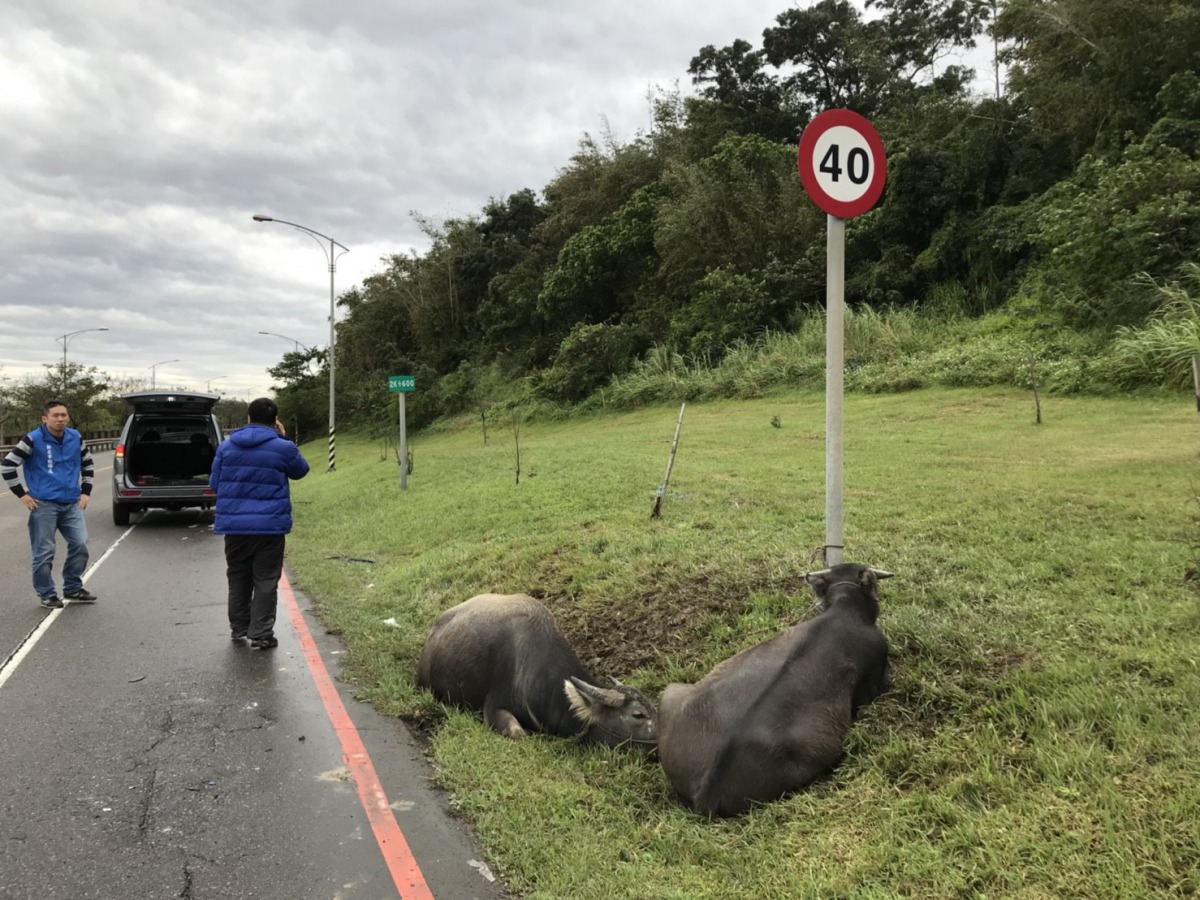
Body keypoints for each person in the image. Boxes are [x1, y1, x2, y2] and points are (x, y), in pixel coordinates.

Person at [210, 397, 309, 649]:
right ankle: (261, 632)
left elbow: (214, 484)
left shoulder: (227, 447)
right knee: (265, 579)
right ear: (275, 421)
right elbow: (301, 470)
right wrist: (284, 438)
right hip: (269, 526)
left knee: (238, 576)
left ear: (248, 418)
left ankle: (239, 627)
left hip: (234, 527)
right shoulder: (281, 447)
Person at [1, 400, 98, 609]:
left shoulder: (75, 436)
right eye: (55, 415)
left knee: (80, 544)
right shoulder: (33, 439)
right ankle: (46, 593)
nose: (60, 419)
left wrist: (86, 491)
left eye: (64, 415)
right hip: (43, 505)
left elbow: (87, 464)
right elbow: (7, 465)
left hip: (72, 503)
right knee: (44, 552)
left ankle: (72, 588)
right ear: (45, 418)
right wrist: (22, 495)